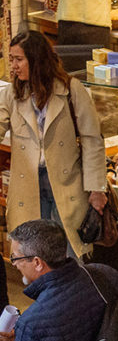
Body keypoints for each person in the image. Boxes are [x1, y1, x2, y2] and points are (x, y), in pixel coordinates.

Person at [0, 31, 107, 259]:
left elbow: (92, 140)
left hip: (66, 182)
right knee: (36, 256)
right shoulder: (11, 94)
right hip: (27, 185)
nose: (14, 66)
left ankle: (71, 294)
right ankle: (46, 296)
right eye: (11, 59)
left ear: (36, 59)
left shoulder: (71, 89)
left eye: (19, 59)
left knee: (69, 253)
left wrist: (97, 189)